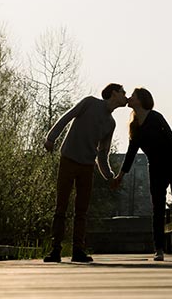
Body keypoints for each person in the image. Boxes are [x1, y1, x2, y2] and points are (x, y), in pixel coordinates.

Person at [42, 82, 128, 263]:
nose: (125, 95)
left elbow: (103, 153)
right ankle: (55, 250)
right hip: (68, 159)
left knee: (82, 210)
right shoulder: (90, 103)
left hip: (87, 166)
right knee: (61, 206)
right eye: (123, 92)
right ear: (113, 93)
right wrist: (51, 138)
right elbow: (67, 117)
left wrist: (109, 176)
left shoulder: (110, 123)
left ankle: (77, 251)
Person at [110, 87, 172, 261]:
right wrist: (121, 175)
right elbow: (131, 152)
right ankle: (159, 250)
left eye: (132, 96)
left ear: (141, 100)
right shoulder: (134, 126)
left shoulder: (155, 117)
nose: (129, 98)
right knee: (157, 209)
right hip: (156, 168)